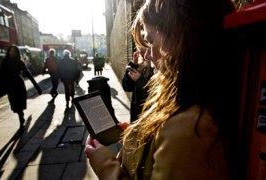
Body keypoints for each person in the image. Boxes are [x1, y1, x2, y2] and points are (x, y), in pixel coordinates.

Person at [85, 0, 236, 179]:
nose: (147, 54)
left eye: (150, 41)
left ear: (179, 40)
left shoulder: (190, 129)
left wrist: (105, 166)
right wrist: (138, 134)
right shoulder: (179, 95)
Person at [0, 45, 42, 129]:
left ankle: (21, 120)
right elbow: (2, 74)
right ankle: (21, 115)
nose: (11, 53)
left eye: (14, 51)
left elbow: (28, 74)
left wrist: (37, 87)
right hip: (10, 86)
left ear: (17, 53)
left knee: (19, 104)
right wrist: (2, 85)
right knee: (14, 106)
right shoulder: (5, 61)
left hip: (19, 84)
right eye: (10, 51)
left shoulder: (20, 62)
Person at [122, 46, 154, 123]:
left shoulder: (155, 69)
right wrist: (133, 64)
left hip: (147, 117)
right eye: (139, 52)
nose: (143, 56)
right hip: (136, 115)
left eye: (143, 51)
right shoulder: (141, 67)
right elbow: (127, 87)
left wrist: (140, 80)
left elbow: (152, 94)